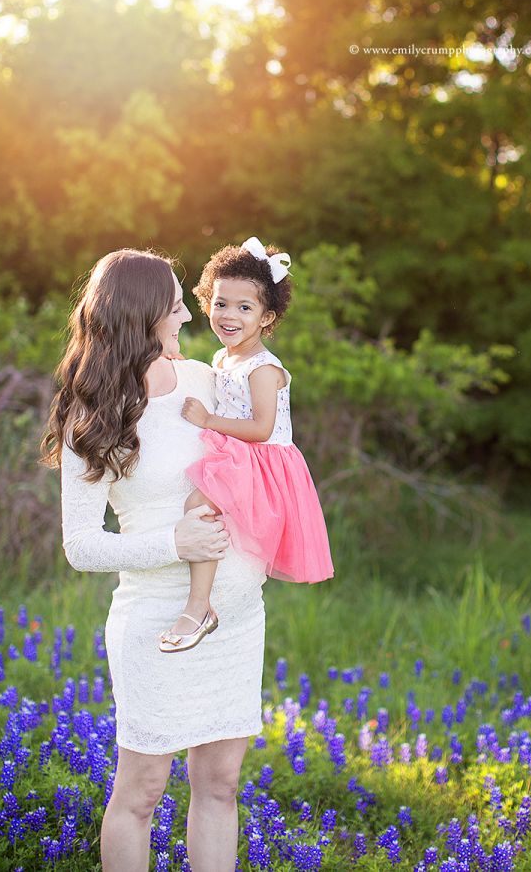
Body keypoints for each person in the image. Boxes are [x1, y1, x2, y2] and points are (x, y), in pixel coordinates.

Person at [42, 248, 267, 872]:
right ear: (143, 317)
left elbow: (260, 455)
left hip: (236, 618)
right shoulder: (93, 413)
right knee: (141, 791)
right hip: (157, 621)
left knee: (221, 784)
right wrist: (176, 543)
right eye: (174, 308)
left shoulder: (202, 379)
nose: (186, 320)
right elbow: (81, 546)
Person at [158, 236, 334, 653]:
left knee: (197, 505)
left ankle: (199, 606)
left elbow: (260, 427)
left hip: (262, 461)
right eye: (220, 303)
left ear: (266, 316)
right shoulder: (224, 358)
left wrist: (208, 420)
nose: (229, 315)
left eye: (244, 307)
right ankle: (200, 600)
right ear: (206, 303)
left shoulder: (263, 368)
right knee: (199, 503)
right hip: (239, 454)